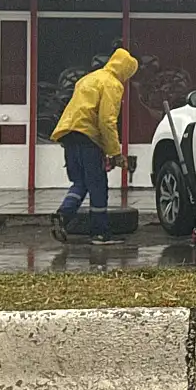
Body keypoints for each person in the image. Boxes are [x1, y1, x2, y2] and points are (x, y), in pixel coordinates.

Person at [50, 47, 139, 245]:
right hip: (88, 136)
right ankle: (100, 233)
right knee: (97, 184)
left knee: (80, 182)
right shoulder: (113, 84)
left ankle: (63, 215)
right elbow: (106, 120)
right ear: (126, 70)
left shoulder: (89, 78)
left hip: (68, 134)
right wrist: (115, 153)